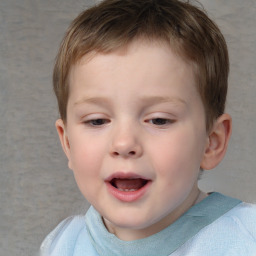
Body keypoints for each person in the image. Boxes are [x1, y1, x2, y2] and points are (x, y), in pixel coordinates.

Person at [40, 0, 256, 255]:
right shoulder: (64, 244)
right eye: (97, 120)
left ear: (212, 141)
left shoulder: (245, 238)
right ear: (68, 144)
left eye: (159, 120)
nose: (124, 143)